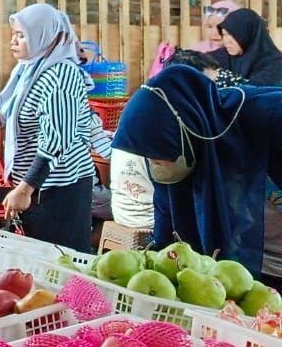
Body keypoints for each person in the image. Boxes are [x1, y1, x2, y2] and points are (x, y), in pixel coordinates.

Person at [114, 64, 282, 278]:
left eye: (157, 155)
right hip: (247, 270)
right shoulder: (178, 156)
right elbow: (167, 231)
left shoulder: (267, 117)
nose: (153, 162)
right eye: (149, 156)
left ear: (181, 133)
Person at [0, 3, 98, 251]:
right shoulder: (30, 68)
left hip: (59, 189)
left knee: (60, 260)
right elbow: (22, 106)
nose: (14, 41)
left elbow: (57, 140)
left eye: (21, 36)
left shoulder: (60, 76)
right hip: (39, 185)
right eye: (13, 35)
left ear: (43, 37)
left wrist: (25, 188)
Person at [218, 7, 282, 86]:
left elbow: (255, 91)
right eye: (224, 34)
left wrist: (218, 78)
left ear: (249, 34)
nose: (226, 41)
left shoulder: (275, 63)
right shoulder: (222, 55)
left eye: (233, 35)